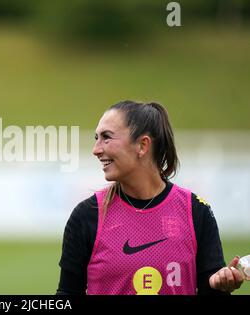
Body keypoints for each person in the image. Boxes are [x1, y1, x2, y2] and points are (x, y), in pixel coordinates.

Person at [57, 100, 244, 295]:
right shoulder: (87, 215)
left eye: (106, 138)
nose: (96, 149)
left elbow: (210, 289)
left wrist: (221, 287)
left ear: (142, 145)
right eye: (96, 138)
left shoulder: (196, 211)